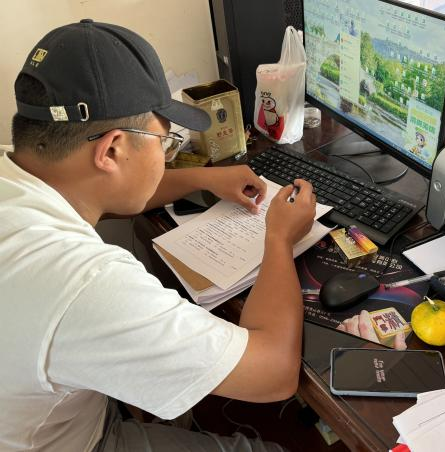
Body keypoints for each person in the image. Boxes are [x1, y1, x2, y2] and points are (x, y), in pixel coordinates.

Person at [0, 20, 316, 452]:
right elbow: (275, 373)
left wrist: (201, 178)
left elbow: (101, 190)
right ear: (112, 150)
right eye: (164, 142)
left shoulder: (18, 172)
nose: (165, 154)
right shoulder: (84, 284)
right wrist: (279, 237)